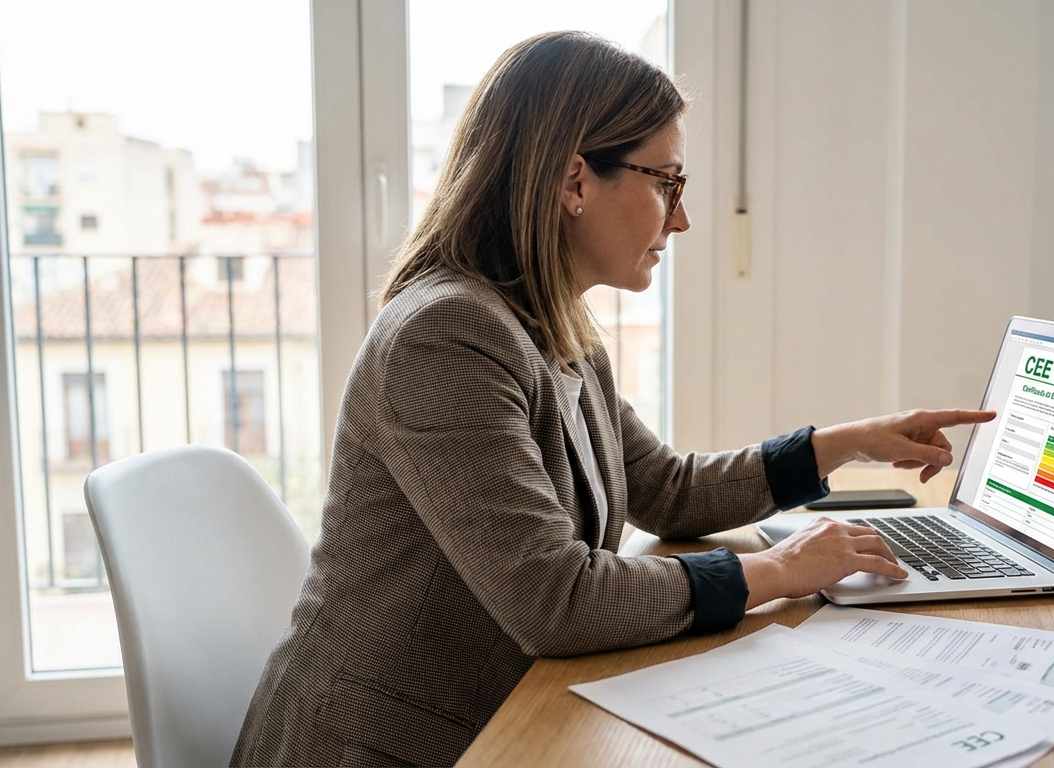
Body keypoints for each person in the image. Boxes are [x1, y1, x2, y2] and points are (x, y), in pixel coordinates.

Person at [231, 31, 994, 767]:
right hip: (381, 747)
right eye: (667, 183)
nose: (683, 217)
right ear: (573, 181)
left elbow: (662, 489)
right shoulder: (447, 334)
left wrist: (848, 442)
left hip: (502, 713)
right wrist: (783, 569)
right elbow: (553, 598)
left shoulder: (548, 318)